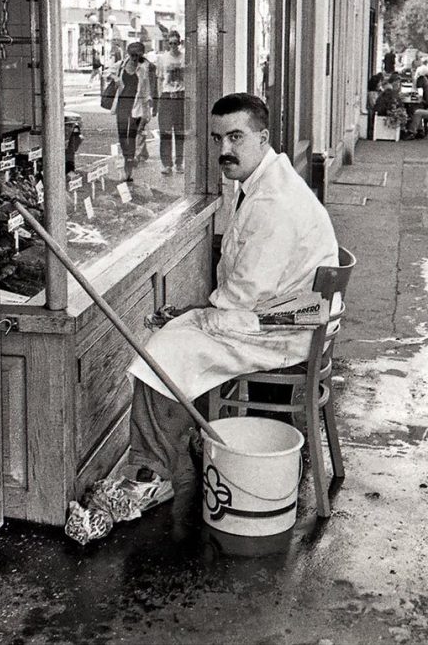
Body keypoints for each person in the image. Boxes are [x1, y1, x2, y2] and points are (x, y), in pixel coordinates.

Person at [66, 93, 339, 541]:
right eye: (218, 139)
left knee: (163, 351)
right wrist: (199, 312)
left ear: (263, 137)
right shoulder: (267, 181)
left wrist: (199, 316)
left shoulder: (273, 203)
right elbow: (245, 290)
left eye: (236, 136)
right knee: (181, 331)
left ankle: (149, 475)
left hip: (283, 329)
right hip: (285, 317)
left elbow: (244, 298)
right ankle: (187, 440)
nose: (224, 149)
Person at [107, 41, 155, 182]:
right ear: (128, 53)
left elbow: (147, 92)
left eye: (137, 55)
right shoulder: (121, 65)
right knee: (123, 136)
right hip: (122, 105)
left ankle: (128, 169)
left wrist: (147, 112)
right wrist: (115, 78)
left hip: (137, 107)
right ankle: (127, 156)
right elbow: (106, 72)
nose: (134, 58)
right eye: (132, 54)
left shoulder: (145, 67)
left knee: (132, 137)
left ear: (141, 54)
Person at [154, 30, 186, 175]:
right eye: (171, 43)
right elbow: (159, 79)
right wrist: (159, 98)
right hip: (167, 97)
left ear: (179, 43)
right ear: (168, 43)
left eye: (176, 43)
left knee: (180, 133)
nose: (173, 46)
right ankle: (167, 164)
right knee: (165, 132)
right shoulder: (163, 58)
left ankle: (179, 163)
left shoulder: (185, 57)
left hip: (180, 97)